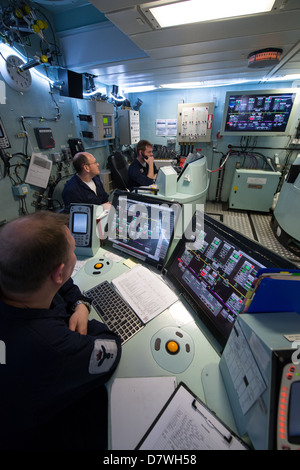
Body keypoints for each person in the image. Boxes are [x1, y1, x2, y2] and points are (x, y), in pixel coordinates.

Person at [0, 211, 122, 450]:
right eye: (73, 251)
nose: (75, 255)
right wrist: (86, 319)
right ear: (57, 272)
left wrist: (79, 304)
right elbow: (111, 348)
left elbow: (62, 281)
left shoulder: (16, 278)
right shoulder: (53, 345)